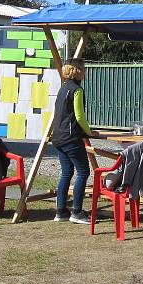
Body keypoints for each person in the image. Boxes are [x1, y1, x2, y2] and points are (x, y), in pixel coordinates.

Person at [51, 58, 99, 224]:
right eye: (83, 69)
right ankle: (77, 212)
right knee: (84, 172)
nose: (85, 72)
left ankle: (61, 211)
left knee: (66, 173)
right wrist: (89, 132)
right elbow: (79, 116)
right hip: (71, 138)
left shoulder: (63, 89)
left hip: (58, 137)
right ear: (77, 71)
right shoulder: (77, 90)